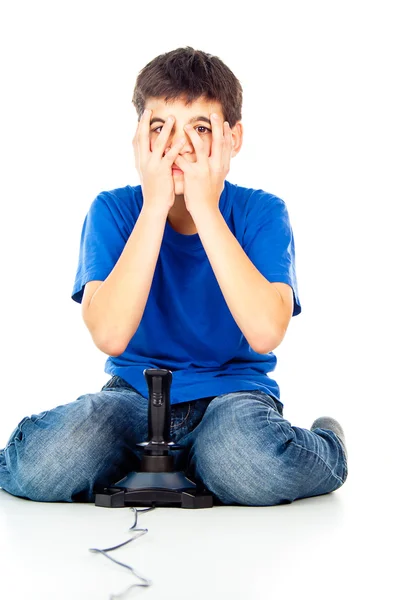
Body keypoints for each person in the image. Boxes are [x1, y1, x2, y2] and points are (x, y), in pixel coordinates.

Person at [0, 47, 348, 506]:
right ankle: (155, 462)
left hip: (233, 397)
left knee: (248, 463)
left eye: (200, 129)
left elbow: (266, 333)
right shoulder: (115, 210)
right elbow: (109, 334)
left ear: (234, 138)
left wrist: (204, 206)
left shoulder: (262, 212)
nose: (178, 147)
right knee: (51, 463)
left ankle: (322, 445)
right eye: (160, 128)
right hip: (133, 395)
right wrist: (154, 205)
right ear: (139, 138)